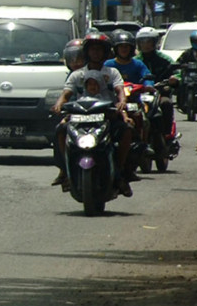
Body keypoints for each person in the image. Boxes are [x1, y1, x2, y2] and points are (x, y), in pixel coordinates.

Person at [50, 32, 134, 196]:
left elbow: (120, 90)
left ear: (105, 52)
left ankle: (121, 171)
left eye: (99, 50)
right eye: (92, 50)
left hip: (107, 117)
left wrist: (122, 102)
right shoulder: (77, 74)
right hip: (80, 118)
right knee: (60, 130)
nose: (96, 53)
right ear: (87, 52)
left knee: (127, 130)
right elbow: (66, 94)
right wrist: (59, 104)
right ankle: (65, 171)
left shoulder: (112, 72)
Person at [135, 27, 178, 139]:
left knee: (166, 103)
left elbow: (178, 72)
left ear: (155, 42)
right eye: (142, 42)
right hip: (139, 95)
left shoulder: (165, 59)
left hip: (160, 93)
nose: (146, 45)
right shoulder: (135, 61)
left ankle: (166, 134)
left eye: (148, 41)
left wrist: (175, 78)